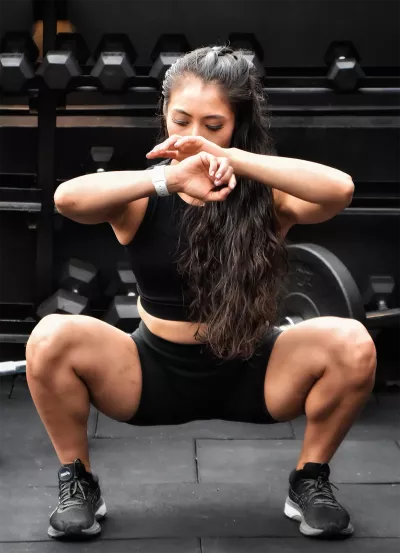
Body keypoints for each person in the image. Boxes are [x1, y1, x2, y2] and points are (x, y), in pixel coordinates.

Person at [25, 45, 376, 541]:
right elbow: (67, 199)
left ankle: (310, 481)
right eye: (181, 121)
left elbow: (338, 190)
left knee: (353, 343)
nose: (194, 137)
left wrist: (232, 160)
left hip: (252, 370)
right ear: (164, 115)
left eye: (213, 126)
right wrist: (166, 179)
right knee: (49, 337)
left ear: (237, 125)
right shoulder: (146, 193)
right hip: (151, 375)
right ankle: (78, 483)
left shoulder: (266, 197)